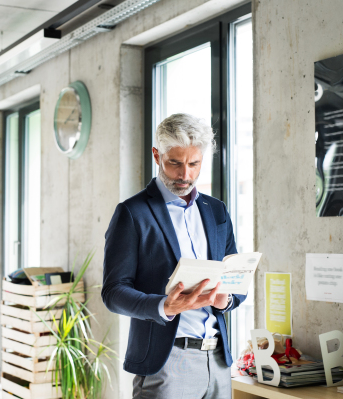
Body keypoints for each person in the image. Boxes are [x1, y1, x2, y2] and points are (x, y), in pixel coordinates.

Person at [102, 113, 245, 399]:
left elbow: (236, 279)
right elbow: (113, 292)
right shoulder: (133, 213)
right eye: (175, 163)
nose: (185, 175)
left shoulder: (217, 211)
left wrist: (226, 298)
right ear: (157, 155)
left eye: (194, 164)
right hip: (167, 362)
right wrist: (164, 306)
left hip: (217, 360)